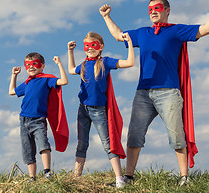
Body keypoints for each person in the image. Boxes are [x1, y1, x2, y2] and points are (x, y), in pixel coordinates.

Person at [99, 0, 209, 186]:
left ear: (167, 11)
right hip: (143, 93)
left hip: (169, 92)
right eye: (150, 9)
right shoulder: (142, 33)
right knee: (134, 135)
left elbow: (208, 29)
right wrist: (107, 17)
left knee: (176, 135)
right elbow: (117, 36)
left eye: (157, 8)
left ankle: (184, 178)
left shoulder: (176, 30)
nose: (153, 12)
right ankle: (128, 178)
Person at [67, 31, 134, 188]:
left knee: (108, 143)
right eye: (87, 46)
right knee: (82, 143)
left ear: (101, 47)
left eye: (93, 45)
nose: (90, 48)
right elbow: (71, 69)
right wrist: (70, 51)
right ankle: (76, 178)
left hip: (98, 110)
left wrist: (130, 43)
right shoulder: (83, 65)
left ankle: (119, 179)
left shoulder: (105, 62)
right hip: (82, 109)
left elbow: (130, 62)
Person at [9, 52, 69, 182]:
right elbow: (12, 91)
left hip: (38, 120)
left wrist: (59, 64)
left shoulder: (46, 79)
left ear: (42, 66)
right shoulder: (27, 83)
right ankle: (32, 177)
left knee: (43, 145)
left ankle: (47, 172)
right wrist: (14, 75)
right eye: (28, 65)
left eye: (34, 64)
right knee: (28, 150)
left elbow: (64, 81)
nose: (31, 67)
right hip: (23, 119)